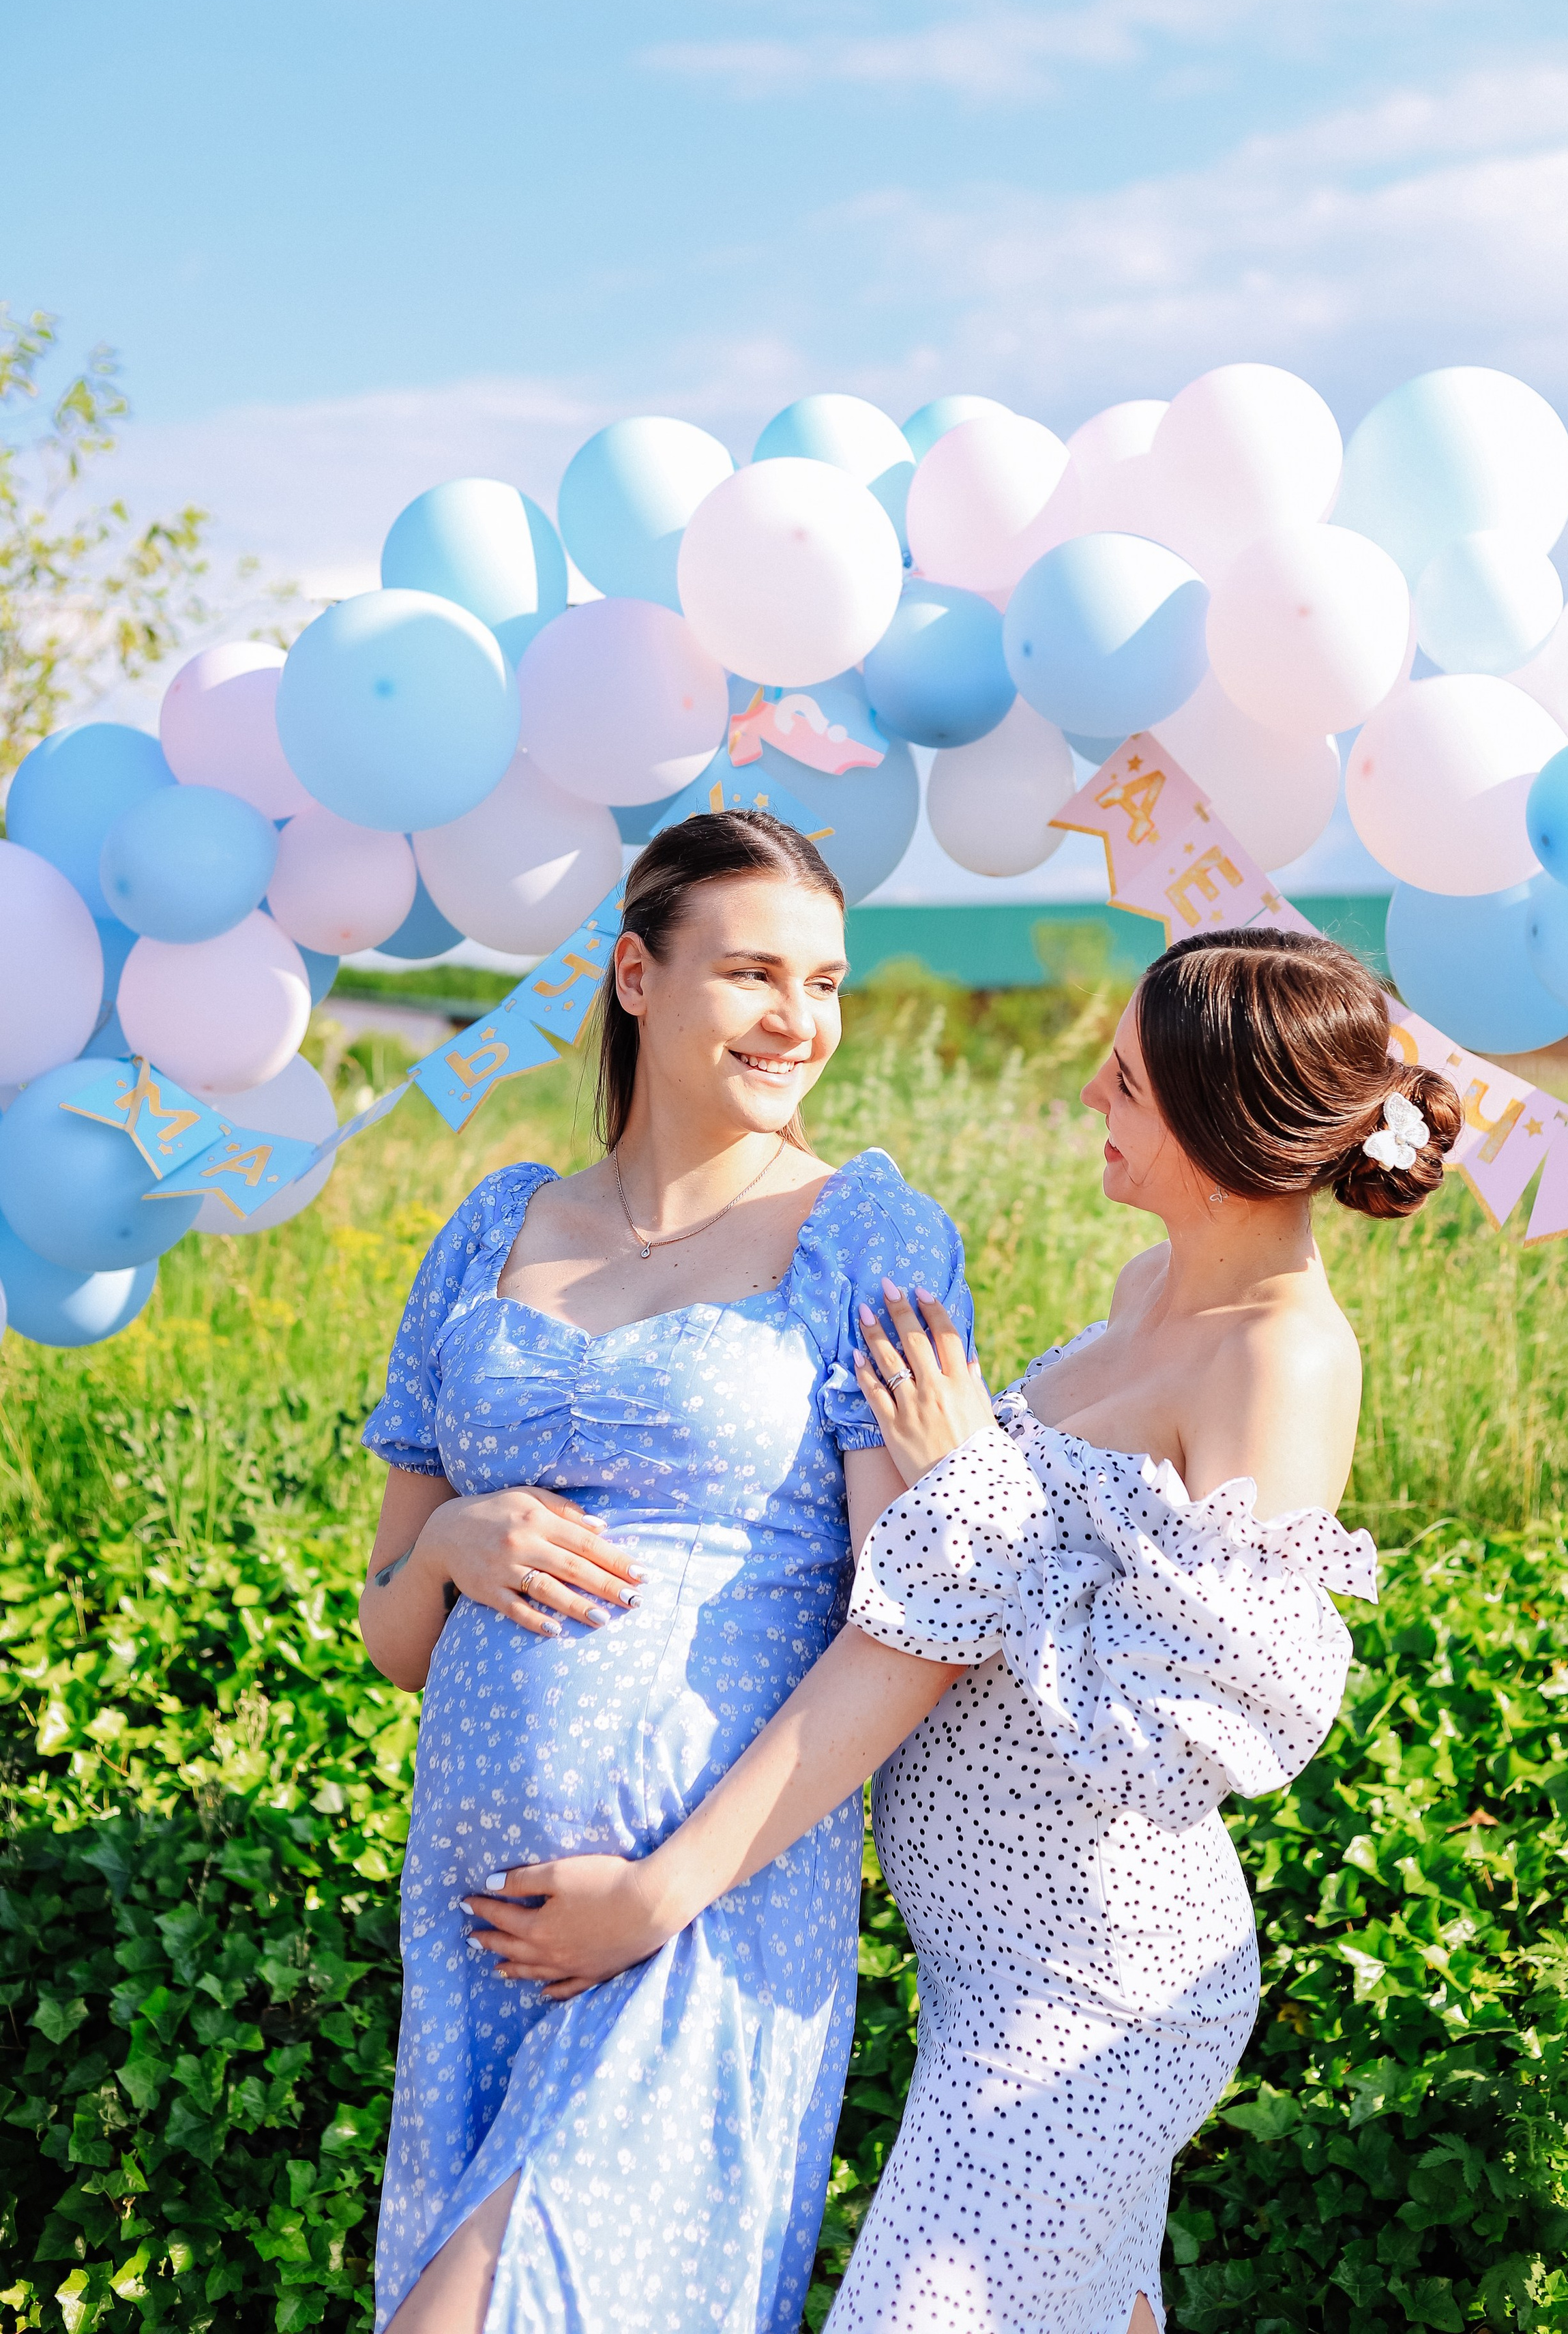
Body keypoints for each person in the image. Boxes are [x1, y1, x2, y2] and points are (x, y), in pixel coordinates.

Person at [466, 928, 1460, 2334]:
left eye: (1119, 1082)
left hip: (1095, 1986)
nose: (1086, 1104)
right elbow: (958, 1583)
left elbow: (1170, 1725)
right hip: (987, 1966)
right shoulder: (1141, 1296)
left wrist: (967, 1482)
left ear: (1213, 1113)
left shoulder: (1280, 1356)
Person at [357, 810, 973, 2334]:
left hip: (696, 1908)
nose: (799, 1021)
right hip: (476, 1920)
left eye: (825, 982)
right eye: (754, 974)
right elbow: (391, 1632)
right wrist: (445, 1538)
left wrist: (658, 1894)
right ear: (635, 974)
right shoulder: (495, 1227)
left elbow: (912, 1623)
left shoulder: (867, 1235)